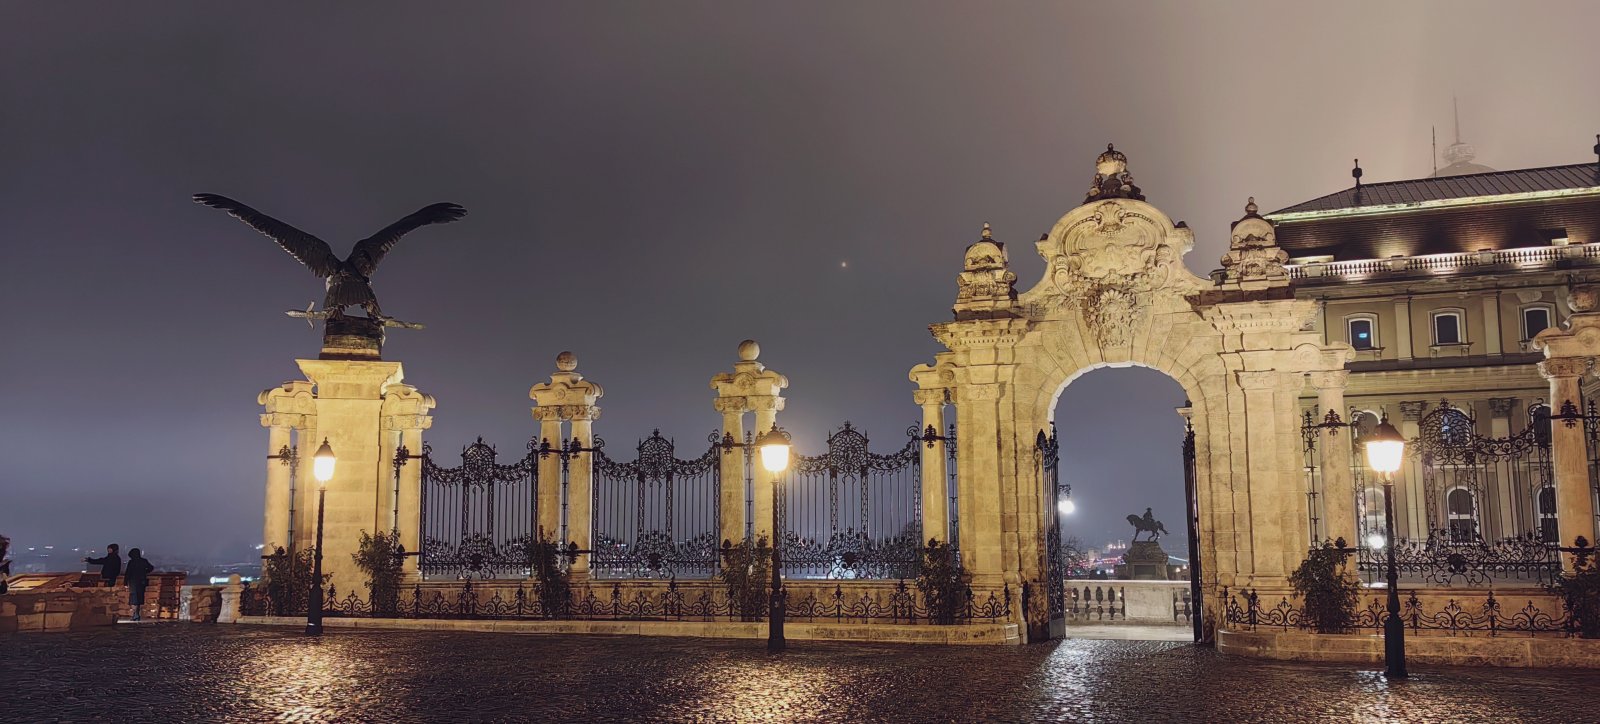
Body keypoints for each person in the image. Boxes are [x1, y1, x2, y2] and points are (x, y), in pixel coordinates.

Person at [124, 548, 155, 621]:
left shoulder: (131, 562)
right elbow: (151, 567)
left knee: (134, 599)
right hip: (141, 582)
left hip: (133, 582)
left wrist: (125, 582)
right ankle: (136, 614)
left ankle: (135, 614)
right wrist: (144, 572)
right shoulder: (143, 561)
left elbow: (127, 573)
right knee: (139, 598)